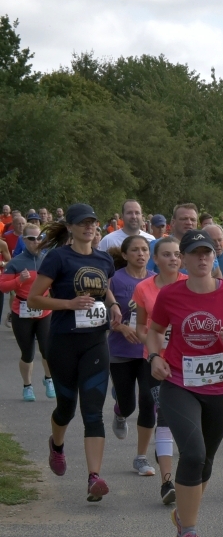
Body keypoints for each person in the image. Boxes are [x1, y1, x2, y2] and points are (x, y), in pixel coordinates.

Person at [147, 230, 223, 537]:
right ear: (183, 258)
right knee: (193, 454)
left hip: (220, 390)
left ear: (215, 256)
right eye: (194, 253)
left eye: (207, 253)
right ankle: (190, 534)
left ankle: (183, 516)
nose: (201, 258)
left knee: (205, 462)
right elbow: (154, 332)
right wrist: (155, 357)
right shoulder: (171, 295)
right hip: (179, 385)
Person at [26, 204, 122, 502]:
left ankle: (94, 477)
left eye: (93, 223)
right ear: (70, 227)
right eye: (82, 223)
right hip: (64, 342)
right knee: (66, 409)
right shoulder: (58, 258)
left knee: (93, 411)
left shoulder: (104, 259)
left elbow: (104, 288)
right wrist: (68, 304)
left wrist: (115, 305)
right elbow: (34, 298)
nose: (89, 227)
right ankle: (56, 445)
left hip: (95, 342)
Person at [132, 236, 187, 504]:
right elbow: (141, 327)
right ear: (156, 259)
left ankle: (190, 475)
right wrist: (154, 343)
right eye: (166, 254)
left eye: (177, 254)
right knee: (163, 415)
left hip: (189, 363)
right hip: (156, 362)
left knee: (188, 421)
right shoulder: (144, 288)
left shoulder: (192, 284)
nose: (173, 259)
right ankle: (167, 481)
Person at [107, 235, 160, 477]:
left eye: (144, 250)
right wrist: (122, 327)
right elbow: (104, 315)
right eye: (135, 250)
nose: (141, 254)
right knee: (129, 404)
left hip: (148, 351)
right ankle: (120, 412)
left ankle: (141, 457)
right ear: (125, 255)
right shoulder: (115, 280)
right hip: (121, 350)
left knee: (149, 402)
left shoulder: (156, 281)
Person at [1, 226, 53, 400]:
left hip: (44, 312)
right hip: (22, 311)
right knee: (27, 352)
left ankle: (48, 379)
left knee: (47, 349)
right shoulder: (16, 262)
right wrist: (18, 280)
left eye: (39, 238)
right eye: (31, 239)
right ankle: (27, 386)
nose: (36, 242)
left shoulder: (48, 260)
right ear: (24, 240)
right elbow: (3, 286)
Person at [147, 203, 198, 274]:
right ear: (173, 222)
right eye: (184, 219)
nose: (189, 222)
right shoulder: (156, 245)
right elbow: (144, 274)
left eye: (193, 220)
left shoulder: (203, 247)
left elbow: (216, 274)